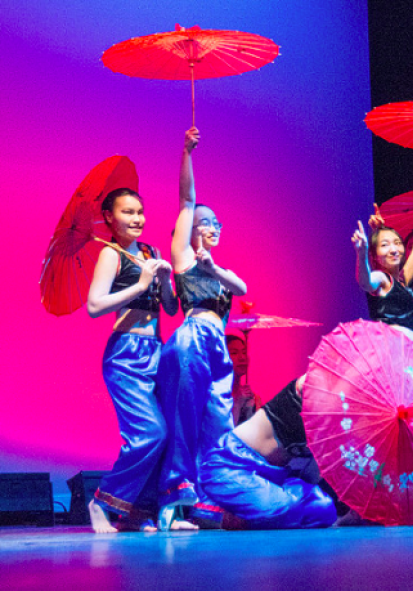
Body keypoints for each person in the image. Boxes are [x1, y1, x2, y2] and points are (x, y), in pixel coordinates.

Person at [199, 327, 413, 529]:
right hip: (232, 466)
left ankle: (253, 508)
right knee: (303, 507)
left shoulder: (368, 415)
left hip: (286, 481)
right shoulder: (320, 387)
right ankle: (225, 512)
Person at [156, 127, 247, 531]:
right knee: (185, 419)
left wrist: (216, 269)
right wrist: (186, 153)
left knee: (218, 423)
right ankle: (172, 502)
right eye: (204, 222)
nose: (212, 227)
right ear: (189, 230)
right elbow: (187, 199)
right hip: (193, 338)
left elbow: (242, 288)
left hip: (217, 350)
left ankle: (208, 502)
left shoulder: (216, 269)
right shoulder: (184, 260)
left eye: (216, 223)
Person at [85, 186, 179, 533]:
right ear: (109, 218)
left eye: (139, 211)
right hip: (126, 354)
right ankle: (102, 501)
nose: (137, 218)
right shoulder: (111, 255)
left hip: (157, 349)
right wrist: (140, 284)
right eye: (127, 212)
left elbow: (169, 309)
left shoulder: (150, 251)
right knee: (149, 433)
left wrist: (165, 280)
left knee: (166, 433)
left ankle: (138, 511)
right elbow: (95, 306)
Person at [352, 192, 413, 348]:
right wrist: (362, 253)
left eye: (397, 243)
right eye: (385, 245)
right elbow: (366, 282)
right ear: (375, 255)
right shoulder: (382, 279)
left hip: (408, 350)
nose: (394, 249)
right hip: (389, 350)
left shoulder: (402, 279)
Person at [226, 332, 259, 426]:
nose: (242, 358)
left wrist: (250, 410)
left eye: (244, 352)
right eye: (234, 353)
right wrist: (237, 404)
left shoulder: (252, 397)